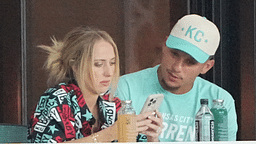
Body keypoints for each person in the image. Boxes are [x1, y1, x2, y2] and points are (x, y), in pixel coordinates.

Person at [115, 14, 238, 142]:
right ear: (164, 45)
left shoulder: (220, 102)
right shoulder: (125, 88)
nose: (177, 67)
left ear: (207, 67)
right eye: (174, 54)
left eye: (190, 62)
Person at [27, 26, 122, 143]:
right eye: (98, 64)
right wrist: (105, 136)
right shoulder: (56, 100)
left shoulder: (113, 105)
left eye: (112, 63)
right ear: (76, 66)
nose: (109, 72)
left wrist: (150, 138)